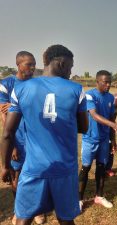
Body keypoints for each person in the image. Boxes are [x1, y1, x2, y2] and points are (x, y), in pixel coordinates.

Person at [0, 44, 88, 225]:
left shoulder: (22, 89)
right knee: (66, 219)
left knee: (23, 218)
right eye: (70, 66)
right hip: (65, 168)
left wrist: (4, 165)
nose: (71, 72)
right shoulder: (77, 90)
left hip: (33, 168)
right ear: (62, 63)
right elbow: (84, 128)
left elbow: (8, 133)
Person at [0, 51, 45, 225]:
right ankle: (19, 210)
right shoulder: (7, 84)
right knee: (16, 176)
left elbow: (40, 109)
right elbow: (4, 115)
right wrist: (12, 145)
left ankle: (37, 210)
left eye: (34, 64)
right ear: (18, 64)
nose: (33, 68)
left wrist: (17, 105)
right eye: (29, 64)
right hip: (17, 138)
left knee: (37, 175)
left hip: (35, 138)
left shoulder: (37, 84)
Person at [79, 70, 117, 209]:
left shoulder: (111, 98)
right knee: (86, 168)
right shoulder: (89, 95)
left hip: (104, 139)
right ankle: (79, 199)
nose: (108, 85)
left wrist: (113, 139)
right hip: (90, 139)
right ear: (97, 82)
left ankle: (99, 196)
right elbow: (94, 115)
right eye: (105, 82)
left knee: (101, 168)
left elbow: (113, 117)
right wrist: (114, 125)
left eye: (110, 82)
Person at [105, 93, 117, 177]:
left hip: (109, 125)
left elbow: (113, 120)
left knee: (111, 147)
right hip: (99, 125)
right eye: (114, 105)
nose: (115, 107)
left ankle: (108, 168)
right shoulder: (104, 103)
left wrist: (113, 140)